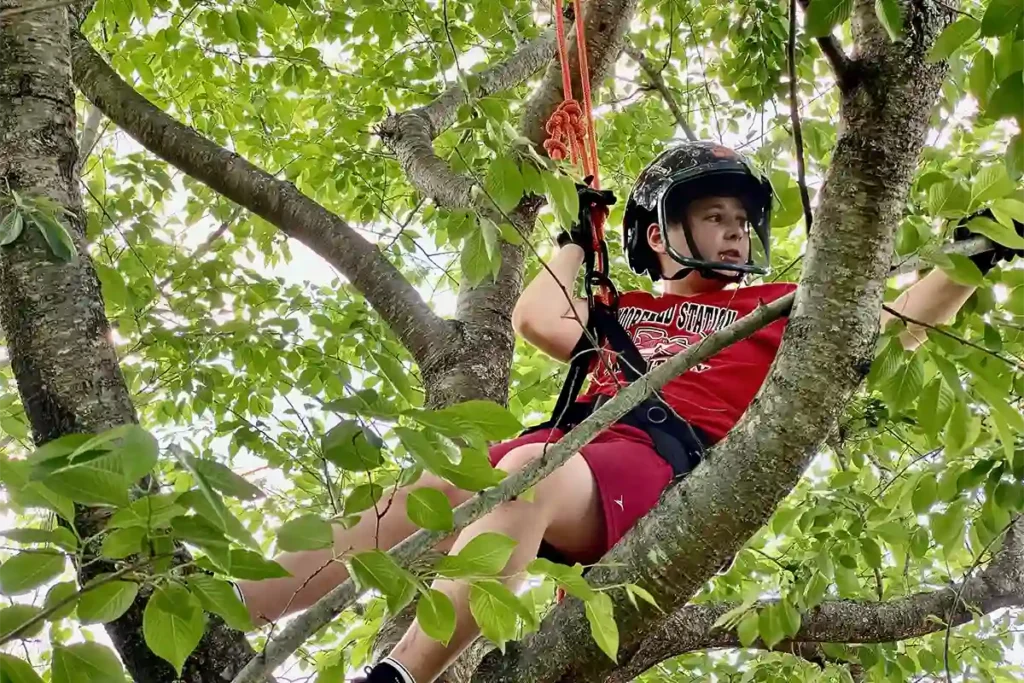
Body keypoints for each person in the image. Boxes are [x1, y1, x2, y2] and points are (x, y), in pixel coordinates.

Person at [236, 141, 1000, 683]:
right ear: (663, 234)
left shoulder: (773, 306)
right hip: (568, 442)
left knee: (527, 471)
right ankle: (225, 606)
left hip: (650, 459)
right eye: (714, 215)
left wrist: (979, 247)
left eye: (742, 217)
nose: (737, 229)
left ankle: (396, 678)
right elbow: (538, 317)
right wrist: (580, 231)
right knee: (421, 494)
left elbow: (894, 319)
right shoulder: (623, 308)